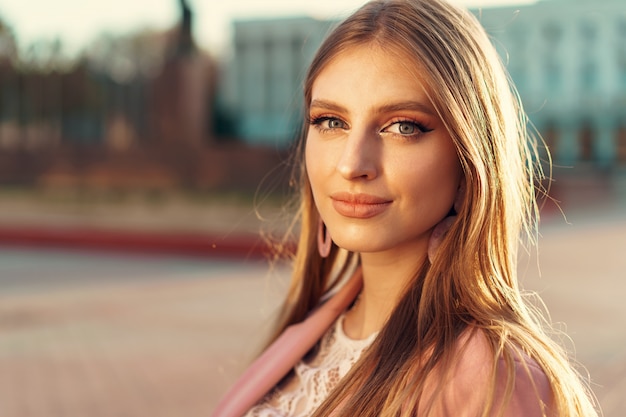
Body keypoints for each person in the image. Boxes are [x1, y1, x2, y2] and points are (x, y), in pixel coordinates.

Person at [213, 0, 599, 416]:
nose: (351, 164)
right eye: (330, 121)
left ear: (470, 159)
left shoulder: (495, 379)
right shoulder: (309, 332)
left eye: (403, 127)